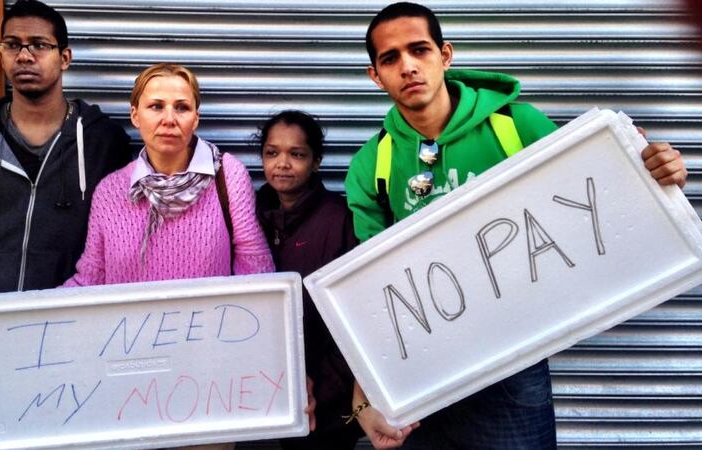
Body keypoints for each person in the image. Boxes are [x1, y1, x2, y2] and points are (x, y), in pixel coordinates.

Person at [343, 2, 688, 449]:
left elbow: (600, 199)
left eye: (419, 50)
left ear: (445, 55)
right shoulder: (373, 163)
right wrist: (363, 397)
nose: (407, 67)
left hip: (513, 368)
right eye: (390, 58)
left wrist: (657, 174)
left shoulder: (517, 126)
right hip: (420, 375)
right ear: (375, 75)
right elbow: (369, 293)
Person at [0, 1, 131, 448]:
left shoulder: (103, 140)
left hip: (75, 341)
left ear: (64, 56)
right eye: (13, 45)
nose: (25, 56)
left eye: (39, 45)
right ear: (1, 53)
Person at [62, 62, 274, 450]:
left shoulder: (227, 176)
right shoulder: (112, 191)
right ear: (134, 115)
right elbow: (89, 279)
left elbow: (255, 268)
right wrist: (6, 315)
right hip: (128, 379)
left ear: (196, 116)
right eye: (156, 106)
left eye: (181, 107)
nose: (168, 119)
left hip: (208, 379)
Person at [254, 110, 363, 449]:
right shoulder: (250, 215)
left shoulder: (339, 219)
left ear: (316, 162)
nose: (282, 163)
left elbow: (359, 313)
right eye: (272, 153)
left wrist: (333, 387)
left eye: (296, 154)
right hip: (267, 393)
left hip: (331, 397)